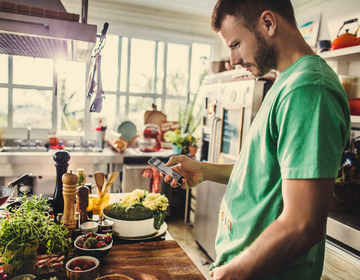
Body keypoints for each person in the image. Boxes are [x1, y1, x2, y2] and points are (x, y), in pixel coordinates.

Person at [164, 0, 350, 279]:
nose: (232, 60)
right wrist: (203, 170)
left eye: (235, 44)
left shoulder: (309, 89)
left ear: (268, 22)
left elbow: (302, 224)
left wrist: (233, 272)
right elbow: (264, 172)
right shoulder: (285, 81)